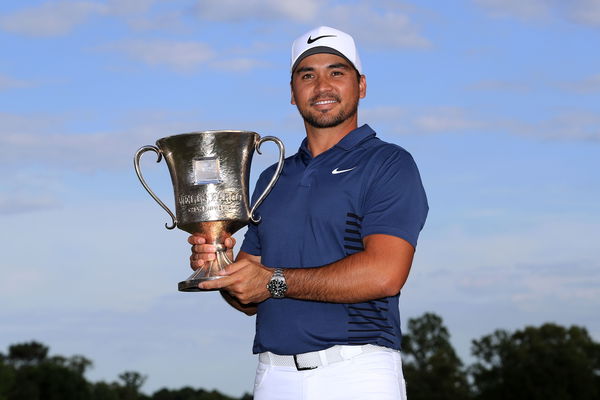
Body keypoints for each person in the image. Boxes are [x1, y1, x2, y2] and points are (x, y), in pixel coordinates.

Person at [189, 26, 428, 400]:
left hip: (356, 373)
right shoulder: (274, 176)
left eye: (336, 72)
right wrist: (222, 266)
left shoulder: (389, 163)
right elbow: (249, 300)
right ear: (292, 93)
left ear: (361, 86)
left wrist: (272, 281)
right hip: (273, 375)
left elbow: (385, 274)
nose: (322, 86)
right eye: (307, 75)